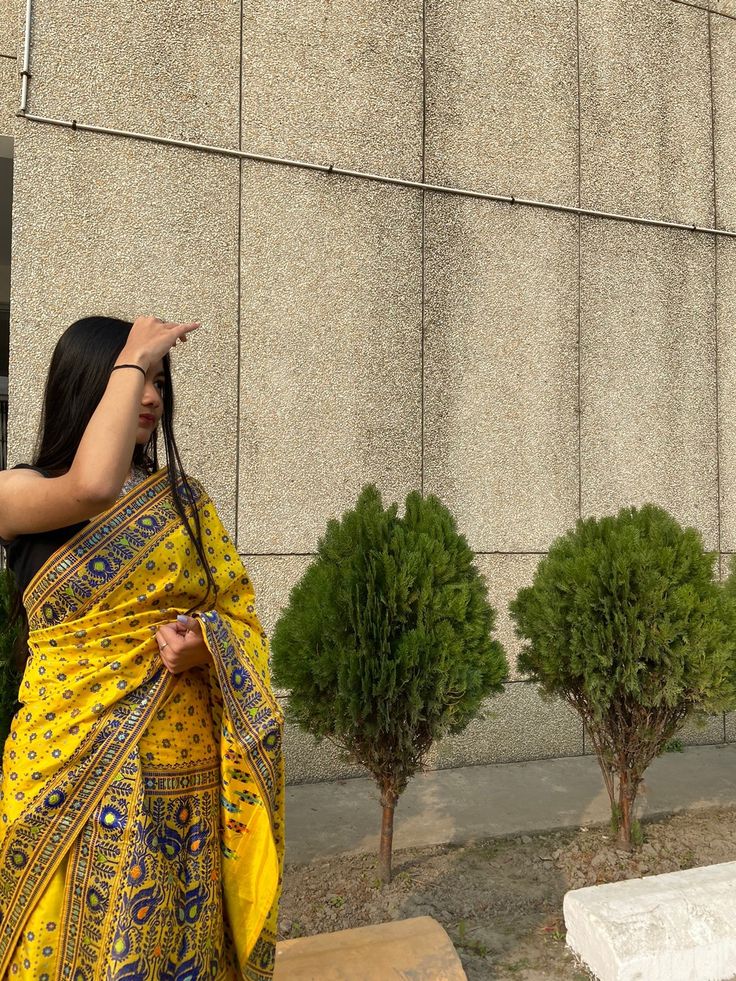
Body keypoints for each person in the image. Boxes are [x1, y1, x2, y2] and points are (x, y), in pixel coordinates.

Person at [0, 315, 284, 980]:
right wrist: (133, 355)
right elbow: (91, 488)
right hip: (62, 767)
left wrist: (206, 646)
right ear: (86, 388)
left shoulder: (184, 502)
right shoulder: (17, 492)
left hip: (178, 779)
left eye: (159, 380)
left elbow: (237, 614)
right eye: (134, 378)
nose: (151, 395)